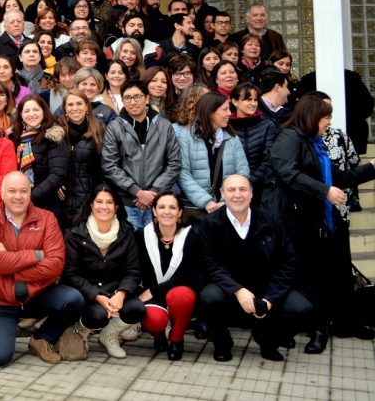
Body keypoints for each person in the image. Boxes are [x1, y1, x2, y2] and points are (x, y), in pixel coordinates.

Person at [270, 95, 375, 351]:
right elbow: (288, 173)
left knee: (333, 274)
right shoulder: (289, 137)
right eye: (326, 116)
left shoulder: (314, 143)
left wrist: (371, 167)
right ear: (312, 116)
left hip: (324, 219)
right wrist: (324, 190)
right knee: (309, 278)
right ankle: (314, 328)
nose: (329, 122)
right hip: (298, 220)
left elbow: (336, 176)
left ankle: (339, 324)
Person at [199, 174, 314, 361]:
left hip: (265, 287)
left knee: (302, 308)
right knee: (209, 297)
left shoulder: (271, 220)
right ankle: (222, 342)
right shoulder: (210, 224)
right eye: (231, 190)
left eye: (243, 189)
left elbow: (288, 261)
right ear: (222, 194)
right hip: (229, 288)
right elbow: (210, 265)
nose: (238, 195)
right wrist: (238, 290)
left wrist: (270, 298)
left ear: (251, 193)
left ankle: (267, 339)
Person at [0, 172, 84, 365]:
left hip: (37, 295)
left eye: (23, 191)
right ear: (2, 194)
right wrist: (36, 255)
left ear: (30, 193)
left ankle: (42, 338)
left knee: (73, 299)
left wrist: (7, 263)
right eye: (12, 191)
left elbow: (56, 265)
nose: (18, 196)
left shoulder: (47, 219)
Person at [62, 182, 146, 359]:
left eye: (109, 202)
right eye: (99, 201)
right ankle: (80, 329)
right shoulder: (75, 233)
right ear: (91, 205)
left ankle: (109, 335)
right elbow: (71, 273)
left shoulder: (126, 232)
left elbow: (133, 270)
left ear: (116, 207)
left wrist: (121, 294)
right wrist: (97, 296)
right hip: (88, 293)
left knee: (137, 309)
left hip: (116, 290)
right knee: (97, 314)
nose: (104, 207)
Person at [102, 80, 181, 230]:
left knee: (155, 244)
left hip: (157, 200)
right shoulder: (115, 127)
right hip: (128, 201)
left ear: (147, 98)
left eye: (137, 97)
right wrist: (137, 192)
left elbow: (174, 163)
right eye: (127, 98)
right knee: (133, 245)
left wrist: (153, 192)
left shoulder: (164, 126)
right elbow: (109, 165)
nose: (132, 102)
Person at [136, 192, 200, 360]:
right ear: (154, 211)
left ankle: (176, 339)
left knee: (182, 295)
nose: (167, 211)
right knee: (153, 320)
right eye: (161, 207)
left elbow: (188, 276)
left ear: (180, 212)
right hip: (152, 295)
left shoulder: (190, 236)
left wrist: (154, 291)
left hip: (176, 293)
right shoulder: (142, 235)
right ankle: (159, 336)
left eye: (172, 207)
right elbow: (135, 270)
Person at [176, 91, 250, 221]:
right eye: (225, 109)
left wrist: (225, 200)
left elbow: (242, 172)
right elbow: (183, 174)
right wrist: (206, 202)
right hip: (196, 210)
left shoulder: (232, 138)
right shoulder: (186, 137)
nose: (229, 113)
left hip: (227, 207)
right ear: (210, 112)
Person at [11, 96, 69, 221]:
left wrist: (30, 197)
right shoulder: (17, 138)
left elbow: (58, 175)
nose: (31, 114)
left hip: (47, 205)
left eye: (36, 110)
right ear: (20, 114)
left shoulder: (53, 137)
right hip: (22, 204)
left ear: (44, 111)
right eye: (26, 111)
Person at [58, 91, 105, 228]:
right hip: (62, 200)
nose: (75, 108)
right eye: (70, 104)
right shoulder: (56, 131)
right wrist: (56, 183)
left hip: (89, 197)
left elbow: (104, 167)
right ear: (65, 109)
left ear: (87, 107)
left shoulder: (100, 130)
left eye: (79, 103)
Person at [229, 83, 279, 206]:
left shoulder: (267, 125)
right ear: (235, 101)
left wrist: (250, 180)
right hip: (232, 187)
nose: (253, 103)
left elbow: (269, 157)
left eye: (255, 100)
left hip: (262, 189)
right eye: (247, 99)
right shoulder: (227, 126)